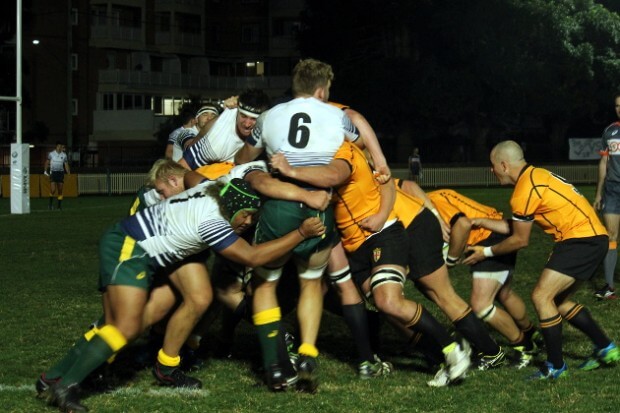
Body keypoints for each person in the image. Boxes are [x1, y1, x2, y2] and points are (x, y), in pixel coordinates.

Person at [35, 177, 326, 412]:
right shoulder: (212, 221)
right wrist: (300, 233)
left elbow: (196, 177)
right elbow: (251, 257)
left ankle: (52, 378)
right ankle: (66, 386)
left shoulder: (215, 190)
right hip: (131, 248)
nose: (248, 222)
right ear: (234, 207)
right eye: (247, 215)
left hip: (150, 251)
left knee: (183, 302)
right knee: (124, 325)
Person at [270, 140, 471, 387]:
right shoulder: (314, 157)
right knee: (382, 304)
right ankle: (442, 358)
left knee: (389, 301)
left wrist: (382, 214)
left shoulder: (345, 151)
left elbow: (380, 181)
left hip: (382, 234)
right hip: (354, 247)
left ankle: (452, 346)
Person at [234, 58, 359, 392]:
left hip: (279, 205)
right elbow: (356, 148)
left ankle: (274, 367)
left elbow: (242, 160)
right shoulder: (338, 116)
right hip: (319, 203)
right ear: (322, 89)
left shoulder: (269, 116)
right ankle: (306, 351)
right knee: (311, 281)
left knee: (265, 284)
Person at [464, 140, 620, 380]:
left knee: (541, 296)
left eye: (493, 166)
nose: (491, 171)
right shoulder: (537, 176)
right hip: (591, 238)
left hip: (579, 241)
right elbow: (517, 225)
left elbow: (519, 240)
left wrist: (484, 252)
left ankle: (556, 366)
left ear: (504, 165)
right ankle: (605, 347)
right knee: (558, 300)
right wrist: (479, 221)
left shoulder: (524, 189)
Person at [427, 188, 540, 369]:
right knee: (504, 294)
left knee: (481, 305)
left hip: (488, 237)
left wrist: (451, 261)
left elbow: (462, 224)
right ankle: (531, 333)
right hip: (497, 230)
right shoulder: (437, 195)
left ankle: (525, 347)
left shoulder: (431, 202)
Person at [179, 89, 271, 179]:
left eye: (253, 119)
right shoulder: (216, 143)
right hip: (204, 151)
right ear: (237, 112)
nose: (247, 124)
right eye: (243, 116)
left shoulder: (268, 126)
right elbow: (182, 170)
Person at [592, 93, 620, 300]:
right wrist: (599, 192)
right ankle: (609, 286)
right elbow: (603, 163)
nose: (619, 109)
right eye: (617, 105)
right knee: (611, 236)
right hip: (612, 189)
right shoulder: (609, 131)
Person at [44, 142, 71, 210]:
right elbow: (47, 162)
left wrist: (68, 172)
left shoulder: (64, 155)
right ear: (56, 147)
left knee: (60, 190)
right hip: (53, 172)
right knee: (53, 190)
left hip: (60, 173)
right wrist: (45, 170)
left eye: (61, 146)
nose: (60, 148)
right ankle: (50, 205)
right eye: (58, 146)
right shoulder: (51, 154)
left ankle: (59, 206)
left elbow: (66, 164)